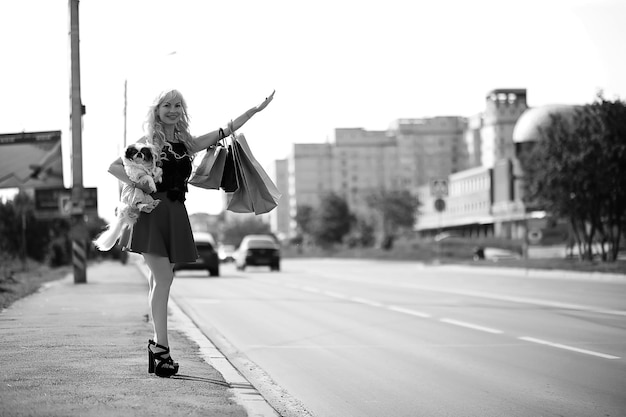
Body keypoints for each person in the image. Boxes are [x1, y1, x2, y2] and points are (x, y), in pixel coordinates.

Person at [107, 89, 275, 377]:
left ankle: (156, 348)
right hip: (152, 213)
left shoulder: (187, 144)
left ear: (181, 111)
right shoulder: (147, 144)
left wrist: (254, 110)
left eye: (177, 105)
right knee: (164, 278)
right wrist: (145, 185)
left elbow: (225, 131)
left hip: (176, 213)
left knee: (158, 281)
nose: (172, 110)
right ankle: (161, 349)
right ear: (157, 111)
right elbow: (113, 167)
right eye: (166, 105)